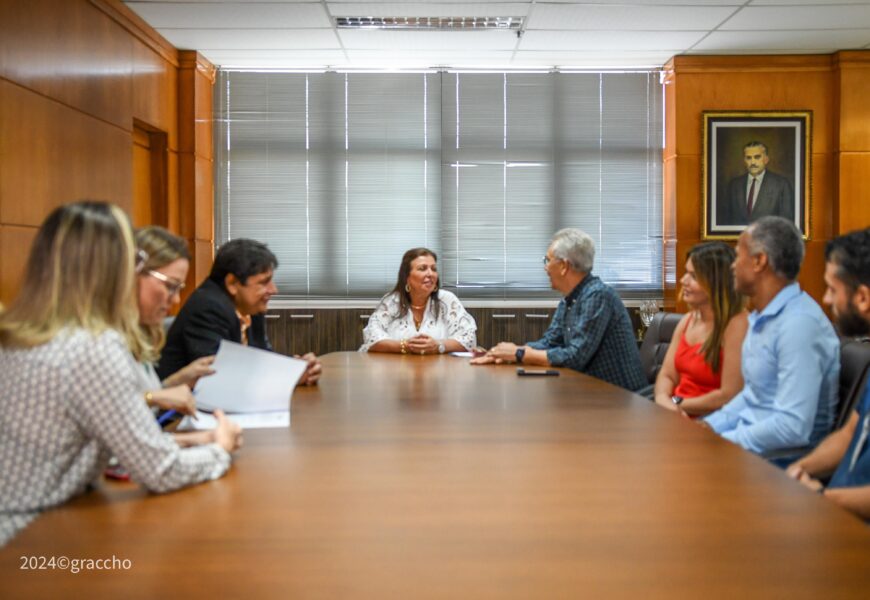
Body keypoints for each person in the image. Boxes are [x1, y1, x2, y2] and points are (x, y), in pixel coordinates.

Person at [0, 201, 242, 546]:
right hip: (29, 537)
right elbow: (160, 470)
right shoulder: (94, 346)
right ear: (114, 268)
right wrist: (221, 449)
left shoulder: (20, 333)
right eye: (134, 259)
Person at [704, 216, 839, 460]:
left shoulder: (799, 324)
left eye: (738, 256)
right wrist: (707, 427)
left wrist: (721, 443)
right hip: (750, 449)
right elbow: (752, 398)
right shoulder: (763, 318)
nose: (733, 266)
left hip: (778, 464)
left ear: (759, 261)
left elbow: (791, 428)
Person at [472, 228, 646, 392]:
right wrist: (505, 353)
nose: (545, 267)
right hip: (591, 392)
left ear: (564, 266)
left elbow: (575, 357)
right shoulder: (569, 299)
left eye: (548, 260)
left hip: (621, 397)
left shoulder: (598, 296)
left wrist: (519, 353)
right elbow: (550, 342)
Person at [786, 228, 870, 520]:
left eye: (833, 289)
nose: (825, 299)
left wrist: (822, 498)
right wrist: (800, 469)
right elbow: (849, 434)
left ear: (862, 298)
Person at [157, 238, 321, 385]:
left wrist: (296, 366)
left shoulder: (250, 306)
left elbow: (262, 356)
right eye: (264, 282)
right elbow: (218, 377)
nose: (273, 290)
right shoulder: (207, 307)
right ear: (232, 283)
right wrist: (287, 376)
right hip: (179, 406)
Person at [654, 242, 748, 417]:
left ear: (717, 282)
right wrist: (665, 401)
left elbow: (728, 396)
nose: (683, 281)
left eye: (693, 276)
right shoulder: (688, 320)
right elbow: (667, 375)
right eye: (686, 273)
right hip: (675, 413)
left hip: (713, 421)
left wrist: (678, 403)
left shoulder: (738, 324)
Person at [360, 248, 476, 354]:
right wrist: (405, 346)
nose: (430, 274)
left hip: (439, 367)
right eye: (422, 268)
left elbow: (469, 339)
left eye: (433, 269)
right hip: (395, 367)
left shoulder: (447, 300)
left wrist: (438, 346)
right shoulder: (392, 301)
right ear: (407, 277)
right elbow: (372, 338)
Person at [720, 141, 795, 226]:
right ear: (744, 160)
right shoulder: (734, 185)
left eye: (757, 157)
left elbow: (786, 224)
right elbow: (726, 221)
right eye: (748, 158)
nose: (753, 162)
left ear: (766, 159)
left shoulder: (782, 185)